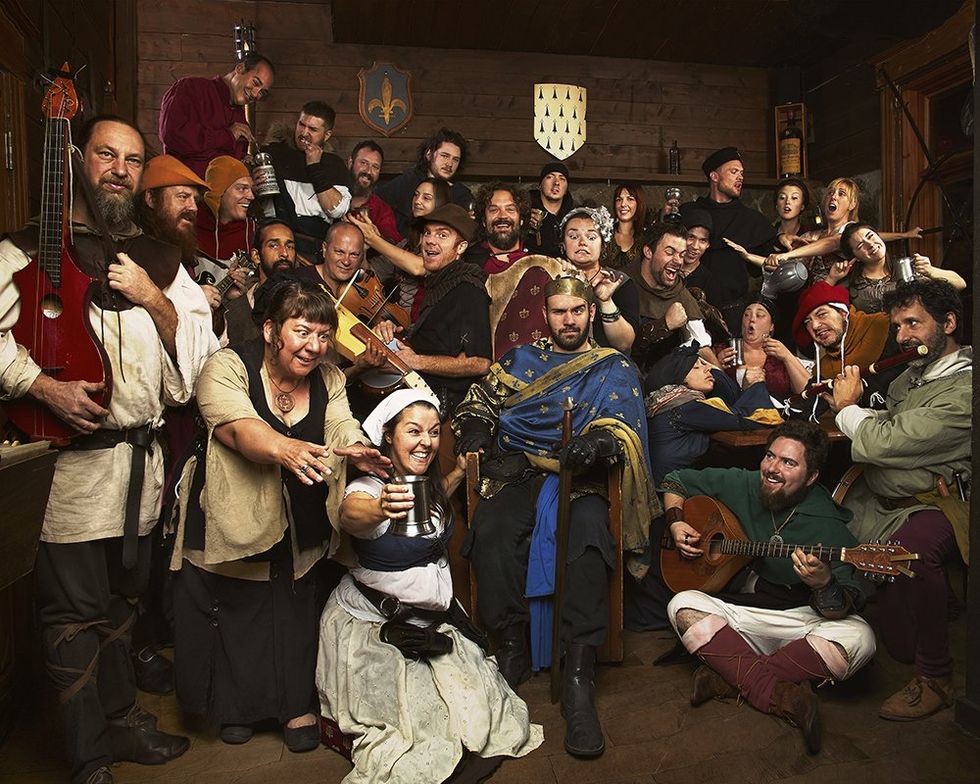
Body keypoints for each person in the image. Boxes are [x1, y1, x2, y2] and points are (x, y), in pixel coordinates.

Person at [0, 116, 217, 784]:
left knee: (126, 606)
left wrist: (155, 300)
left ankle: (123, 724)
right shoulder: (23, 250)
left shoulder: (160, 262)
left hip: (140, 470)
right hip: (70, 471)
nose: (120, 170)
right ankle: (88, 756)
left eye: (131, 159)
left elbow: (199, 365)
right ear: (77, 161)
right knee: (72, 614)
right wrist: (42, 387)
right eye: (105, 155)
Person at [171, 280, 391, 752]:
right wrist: (284, 447)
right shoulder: (227, 366)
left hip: (300, 515)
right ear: (271, 330)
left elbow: (340, 423)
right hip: (234, 506)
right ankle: (238, 709)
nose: (315, 346)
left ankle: (295, 704)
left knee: (293, 607)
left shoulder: (329, 377)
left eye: (324, 335)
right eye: (303, 332)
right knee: (236, 606)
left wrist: (356, 447)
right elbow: (235, 427)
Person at [452, 275, 656, 758]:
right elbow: (477, 401)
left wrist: (599, 441)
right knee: (494, 528)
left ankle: (580, 672)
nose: (569, 320)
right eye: (559, 311)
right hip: (518, 469)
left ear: (590, 312)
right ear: (546, 314)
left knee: (587, 535)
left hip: (581, 474)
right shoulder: (521, 360)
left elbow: (625, 424)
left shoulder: (613, 366)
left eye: (577, 311)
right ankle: (511, 646)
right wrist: (477, 430)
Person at [316, 389, 543, 783]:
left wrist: (456, 472)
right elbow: (351, 515)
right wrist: (381, 507)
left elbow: (439, 497)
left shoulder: (429, 484)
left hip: (431, 622)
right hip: (377, 631)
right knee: (417, 728)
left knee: (481, 712)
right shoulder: (370, 487)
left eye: (434, 432)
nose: (426, 442)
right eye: (413, 431)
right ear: (388, 435)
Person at [663, 420, 876, 754]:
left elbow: (845, 602)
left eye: (788, 463)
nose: (772, 469)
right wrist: (675, 521)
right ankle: (781, 690)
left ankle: (730, 677)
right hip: (748, 612)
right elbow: (674, 480)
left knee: (861, 638)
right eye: (770, 457)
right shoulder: (746, 482)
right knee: (683, 605)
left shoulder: (827, 523)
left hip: (800, 620)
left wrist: (825, 583)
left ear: (812, 476)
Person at [829, 279, 970, 721]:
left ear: (948, 324)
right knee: (900, 644)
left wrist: (846, 408)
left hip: (939, 504)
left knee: (911, 554)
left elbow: (884, 443)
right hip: (887, 503)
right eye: (898, 326)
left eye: (914, 323)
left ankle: (936, 679)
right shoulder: (913, 376)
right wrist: (861, 412)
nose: (903, 336)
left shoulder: (966, 390)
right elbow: (892, 420)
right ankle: (935, 603)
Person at [375, 204, 492, 416]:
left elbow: (480, 363)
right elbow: (436, 341)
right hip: (417, 386)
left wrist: (416, 361)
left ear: (461, 247)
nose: (429, 240)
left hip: (439, 399)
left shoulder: (468, 289)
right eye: (427, 233)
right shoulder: (440, 282)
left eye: (442, 235)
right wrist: (396, 331)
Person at [644, 345, 781, 484]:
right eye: (697, 367)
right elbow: (743, 419)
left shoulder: (671, 401)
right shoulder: (685, 405)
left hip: (670, 480)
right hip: (672, 488)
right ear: (681, 378)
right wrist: (755, 386)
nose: (708, 368)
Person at [678, 147, 778, 332]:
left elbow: (771, 261)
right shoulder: (689, 212)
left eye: (742, 173)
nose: (740, 177)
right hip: (685, 309)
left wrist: (784, 238)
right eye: (733, 172)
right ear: (714, 176)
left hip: (733, 315)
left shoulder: (752, 220)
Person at [159, 52, 275, 178]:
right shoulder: (192, 88)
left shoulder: (241, 120)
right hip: (186, 190)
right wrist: (227, 135)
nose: (255, 94)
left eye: (262, 92)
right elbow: (172, 135)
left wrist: (244, 164)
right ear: (240, 68)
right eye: (255, 83)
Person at [261, 101, 353, 258]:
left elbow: (337, 210)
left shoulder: (333, 164)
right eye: (301, 124)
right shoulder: (275, 154)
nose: (304, 133)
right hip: (276, 239)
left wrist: (315, 167)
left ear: (327, 134)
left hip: (314, 246)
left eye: (313, 129)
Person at [348, 177, 450, 315]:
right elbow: (372, 274)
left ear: (440, 204)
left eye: (426, 198)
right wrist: (364, 249)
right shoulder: (405, 244)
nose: (417, 201)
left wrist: (374, 239)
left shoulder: (444, 244)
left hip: (424, 325)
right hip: (396, 321)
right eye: (416, 195)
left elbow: (419, 267)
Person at [628, 222, 714, 373]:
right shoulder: (623, 284)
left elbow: (700, 343)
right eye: (670, 252)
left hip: (665, 378)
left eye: (682, 254)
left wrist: (720, 374)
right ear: (648, 252)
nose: (678, 261)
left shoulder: (680, 292)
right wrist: (664, 325)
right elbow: (621, 347)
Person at [832, 222, 966, 314]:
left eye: (871, 236)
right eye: (861, 246)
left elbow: (960, 284)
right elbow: (822, 308)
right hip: (874, 351)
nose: (870, 244)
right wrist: (832, 278)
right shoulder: (851, 282)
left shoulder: (905, 269)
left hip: (914, 346)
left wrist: (931, 271)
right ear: (855, 256)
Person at [559, 205, 638, 353]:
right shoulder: (552, 276)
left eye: (591, 237)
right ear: (563, 245)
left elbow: (624, 344)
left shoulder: (620, 283)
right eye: (574, 236)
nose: (582, 242)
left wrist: (606, 301)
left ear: (602, 245)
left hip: (607, 366)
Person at [376, 127, 474, 238]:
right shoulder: (407, 181)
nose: (449, 164)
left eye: (455, 159)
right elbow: (376, 203)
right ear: (429, 154)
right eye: (445, 156)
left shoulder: (461, 194)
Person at [714, 300, 812, 400]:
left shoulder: (780, 356)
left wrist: (787, 357)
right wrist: (717, 366)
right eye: (747, 315)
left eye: (759, 315)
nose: (751, 319)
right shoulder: (722, 351)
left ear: (771, 326)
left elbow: (806, 391)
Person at [223, 218, 298, 346]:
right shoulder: (237, 306)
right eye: (274, 245)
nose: (284, 253)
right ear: (256, 256)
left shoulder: (306, 299)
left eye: (289, 246)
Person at [195, 155, 256, 262]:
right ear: (218, 192)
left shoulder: (254, 231)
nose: (251, 196)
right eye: (241, 188)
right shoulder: (188, 229)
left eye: (250, 189)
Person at [464, 182, 531, 273]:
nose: (502, 216)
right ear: (484, 221)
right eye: (494, 210)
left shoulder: (539, 259)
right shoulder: (468, 263)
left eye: (510, 209)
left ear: (521, 219)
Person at [347, 140, 401, 244]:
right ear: (350, 162)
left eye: (375, 167)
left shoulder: (382, 210)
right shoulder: (333, 194)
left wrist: (376, 237)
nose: (368, 171)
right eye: (363, 163)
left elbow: (394, 247)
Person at [527, 162, 574, 258]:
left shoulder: (574, 218)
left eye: (562, 178)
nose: (556, 182)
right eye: (550, 177)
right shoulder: (525, 213)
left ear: (566, 189)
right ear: (540, 185)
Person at [605, 183, 650, 270]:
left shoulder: (646, 237)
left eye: (630, 199)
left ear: (639, 204)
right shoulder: (605, 234)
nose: (623, 204)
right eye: (619, 199)